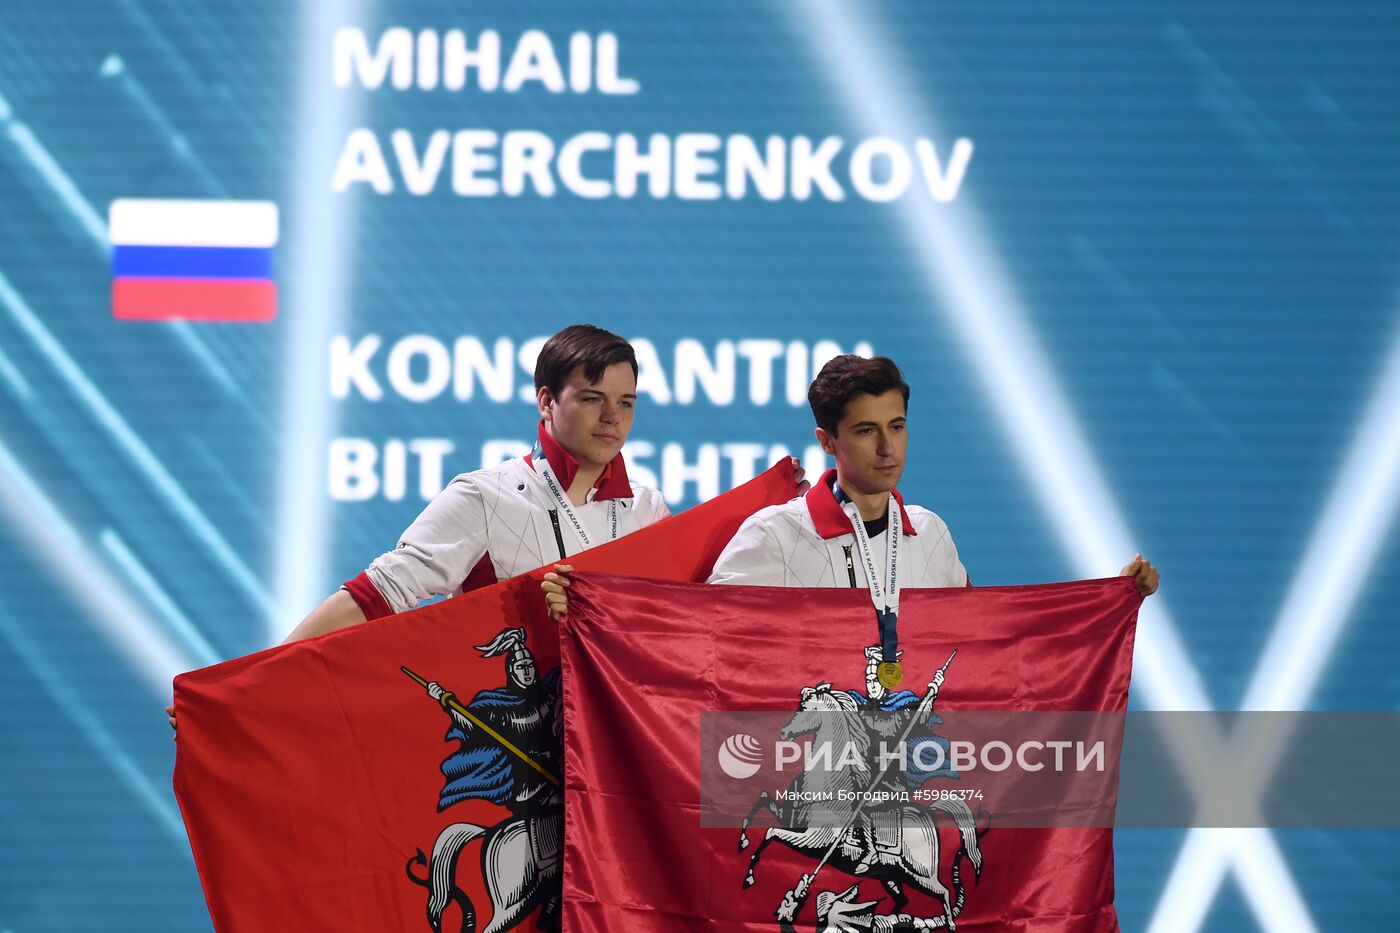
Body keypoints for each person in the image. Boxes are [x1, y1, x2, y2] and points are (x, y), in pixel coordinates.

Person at [170, 324, 707, 731]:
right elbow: (372, 598)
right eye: (593, 399)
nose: (613, 418)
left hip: (615, 744)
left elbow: (676, 640)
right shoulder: (484, 496)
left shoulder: (648, 511)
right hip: (521, 749)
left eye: (626, 403)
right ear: (547, 401)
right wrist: (249, 687)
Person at [707, 354, 1159, 595]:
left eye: (897, 427)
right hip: (807, 763)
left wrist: (1112, 599)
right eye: (867, 431)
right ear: (827, 441)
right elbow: (703, 646)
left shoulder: (930, 534)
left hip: (909, 763)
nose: (888, 447)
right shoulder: (773, 536)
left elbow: (982, 645)